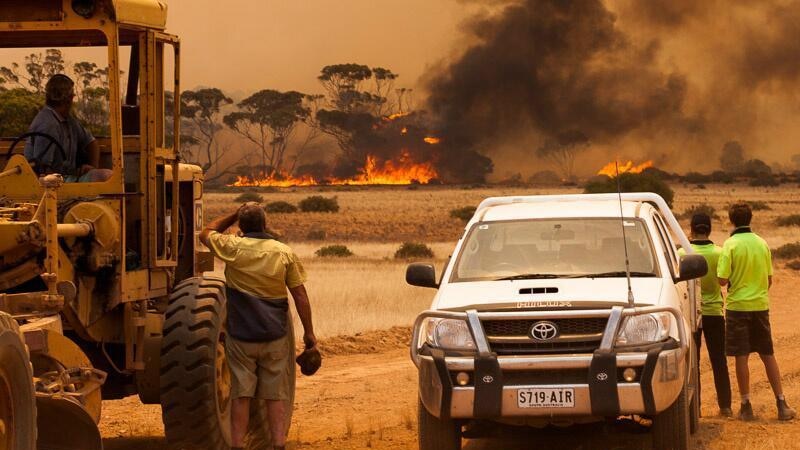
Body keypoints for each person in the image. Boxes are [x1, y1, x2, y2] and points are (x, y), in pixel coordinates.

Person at [199, 203, 317, 450]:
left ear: (241, 227)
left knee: (241, 394)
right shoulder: (284, 253)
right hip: (275, 336)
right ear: (265, 225)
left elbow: (206, 232)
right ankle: (278, 444)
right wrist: (309, 333)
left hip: (241, 337)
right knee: (275, 395)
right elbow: (300, 295)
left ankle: (238, 446)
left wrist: (233, 214)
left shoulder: (233, 247)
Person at [717, 203, 795, 421]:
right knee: (767, 355)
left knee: (741, 356)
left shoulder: (730, 245)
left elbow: (722, 280)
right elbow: (769, 280)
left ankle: (746, 405)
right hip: (760, 306)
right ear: (750, 218)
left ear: (732, 220)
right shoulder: (762, 244)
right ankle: (782, 403)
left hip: (737, 308)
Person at [679, 213, 732, 417]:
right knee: (719, 359)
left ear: (691, 229)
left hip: (691, 315)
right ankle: (725, 406)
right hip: (715, 312)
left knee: (694, 363)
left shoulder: (683, 252)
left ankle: (696, 408)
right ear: (709, 229)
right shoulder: (719, 252)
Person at [24, 74, 112, 182]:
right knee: (106, 176)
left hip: (67, 177)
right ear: (68, 99)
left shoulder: (69, 121)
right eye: (72, 95)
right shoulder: (48, 125)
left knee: (106, 175)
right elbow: (43, 172)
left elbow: (91, 143)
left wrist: (92, 167)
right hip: (54, 183)